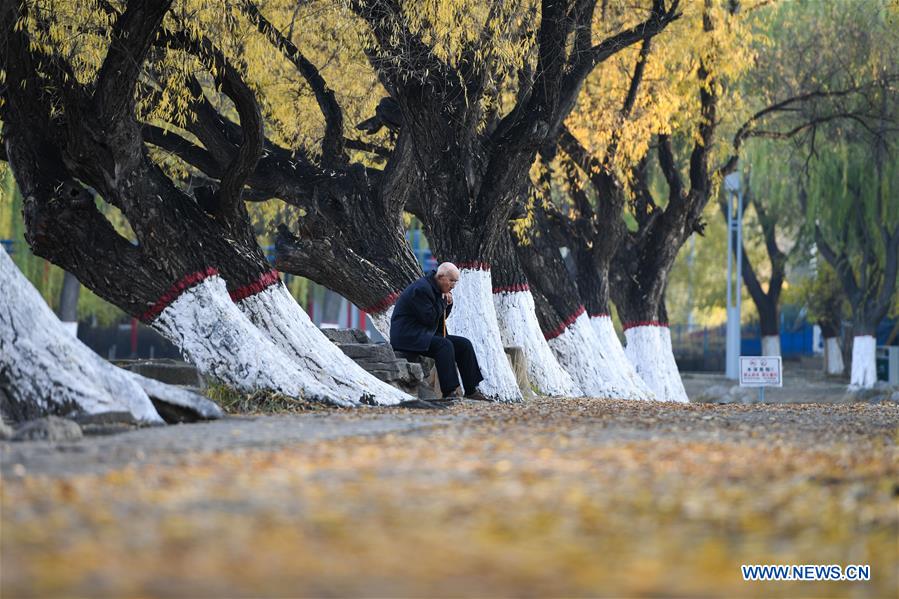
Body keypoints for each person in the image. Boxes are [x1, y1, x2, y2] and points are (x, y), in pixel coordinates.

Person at [390, 263, 489, 402]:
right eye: (451, 280)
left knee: (463, 344)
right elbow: (428, 318)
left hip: (424, 333)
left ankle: (471, 390)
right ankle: (449, 392)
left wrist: (448, 304)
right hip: (408, 335)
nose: (453, 285)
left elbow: (440, 316)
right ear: (441, 276)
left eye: (455, 281)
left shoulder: (437, 288)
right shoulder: (422, 289)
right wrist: (443, 303)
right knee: (444, 345)